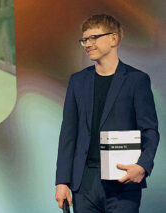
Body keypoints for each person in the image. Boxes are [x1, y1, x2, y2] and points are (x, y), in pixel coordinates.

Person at [55, 14, 159, 213]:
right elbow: (68, 135)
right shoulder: (78, 81)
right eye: (84, 39)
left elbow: (150, 131)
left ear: (114, 39)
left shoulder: (136, 80)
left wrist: (142, 166)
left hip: (122, 180)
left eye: (94, 37)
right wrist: (62, 182)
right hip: (84, 183)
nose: (88, 44)